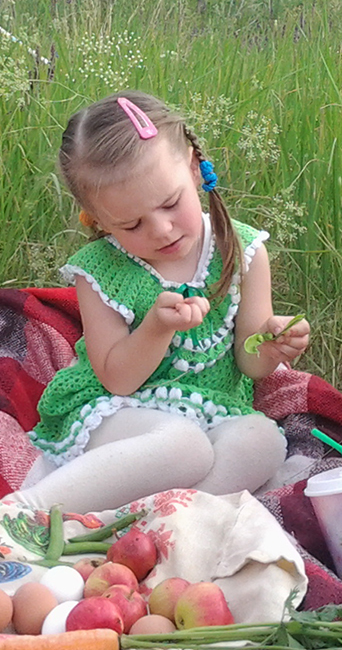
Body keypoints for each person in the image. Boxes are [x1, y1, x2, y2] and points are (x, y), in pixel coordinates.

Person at [15, 91, 311, 513]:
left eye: (170, 203)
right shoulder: (100, 270)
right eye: (131, 224)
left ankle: (160, 524)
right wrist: (156, 326)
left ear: (193, 167)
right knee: (184, 447)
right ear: (96, 220)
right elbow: (118, 378)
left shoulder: (242, 251)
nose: (161, 229)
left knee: (262, 441)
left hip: (216, 409)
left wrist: (273, 344)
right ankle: (24, 509)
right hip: (122, 411)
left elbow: (250, 362)